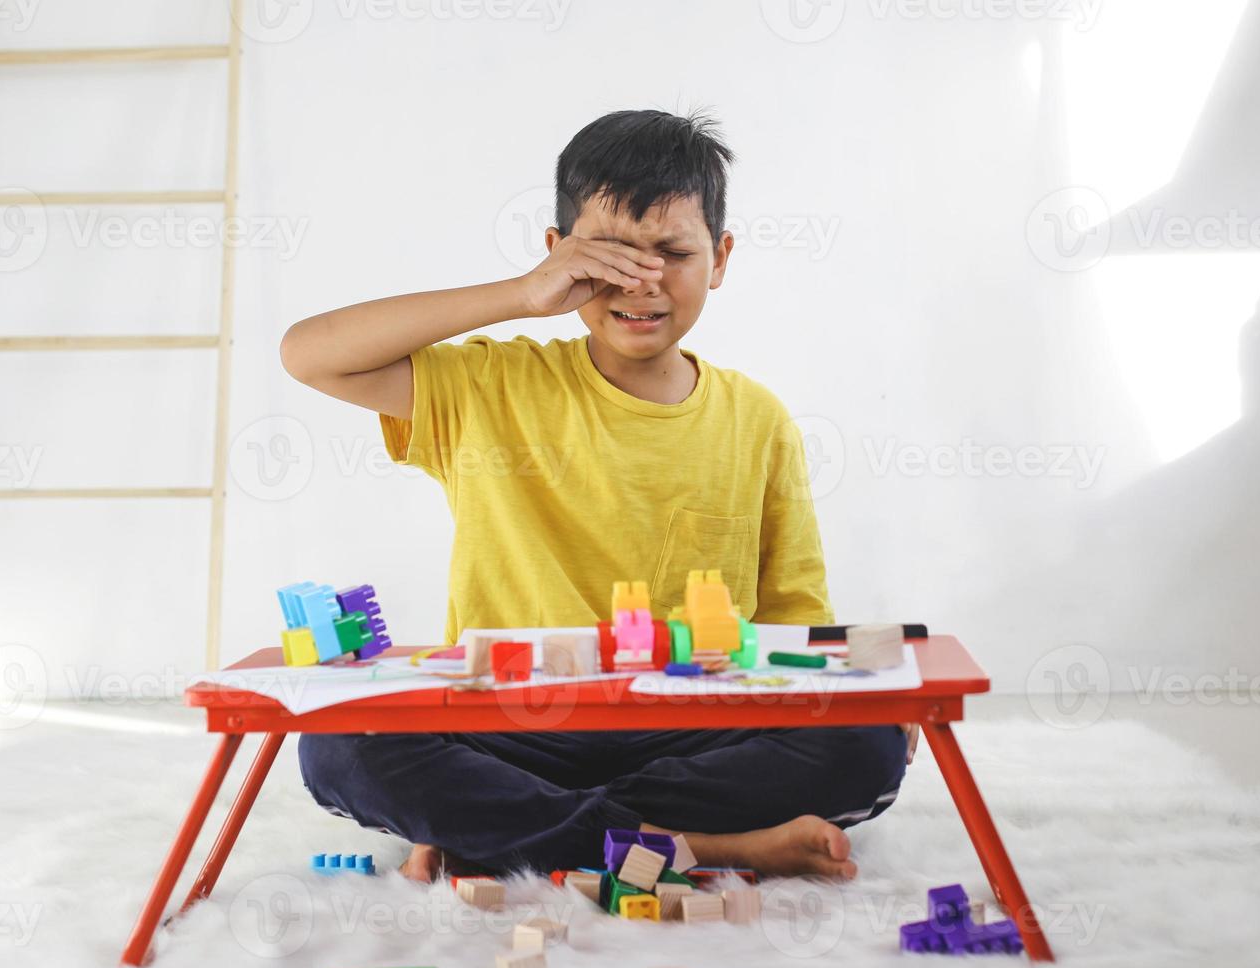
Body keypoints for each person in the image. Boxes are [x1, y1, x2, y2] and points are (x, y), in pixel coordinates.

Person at [280, 108, 908, 881]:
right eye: (609, 254)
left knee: (869, 740)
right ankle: (705, 847)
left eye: (673, 253)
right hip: (506, 721)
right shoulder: (488, 386)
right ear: (558, 253)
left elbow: (791, 621)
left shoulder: (757, 418)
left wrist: (860, 696)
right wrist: (519, 294)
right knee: (340, 745)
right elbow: (309, 354)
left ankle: (499, 825)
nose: (639, 281)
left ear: (721, 258)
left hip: (689, 728)